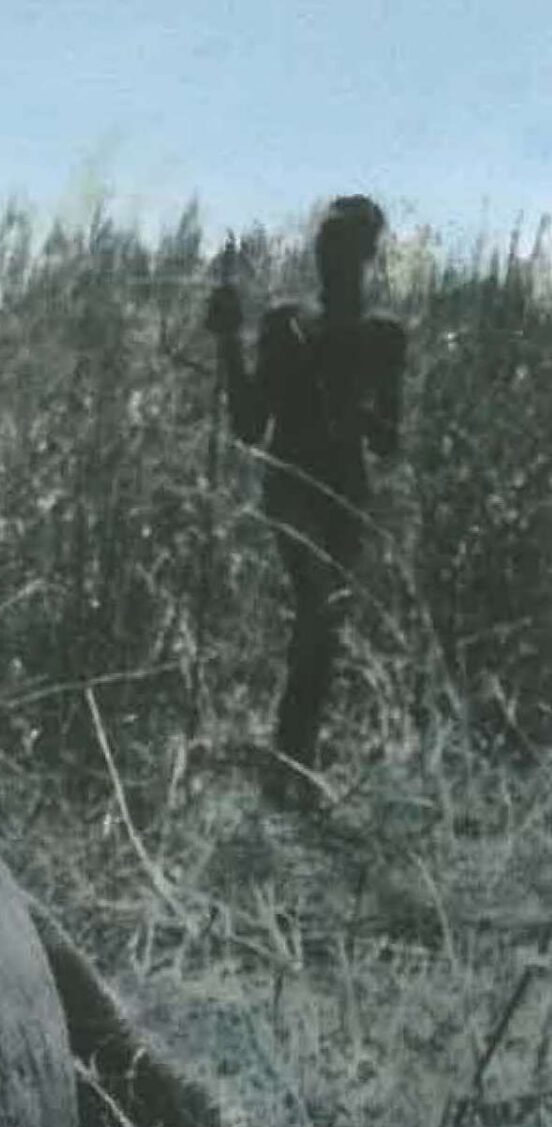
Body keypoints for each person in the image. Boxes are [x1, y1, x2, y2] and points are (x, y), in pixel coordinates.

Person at [209, 195, 407, 779]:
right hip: (291, 487)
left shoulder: (384, 337)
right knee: (318, 612)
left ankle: (294, 758)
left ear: (368, 256)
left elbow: (387, 441)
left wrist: (354, 411)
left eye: (347, 248)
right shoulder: (284, 323)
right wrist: (227, 339)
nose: (334, 259)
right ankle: (291, 763)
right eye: (327, 245)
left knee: (322, 623)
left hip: (345, 494)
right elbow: (249, 424)